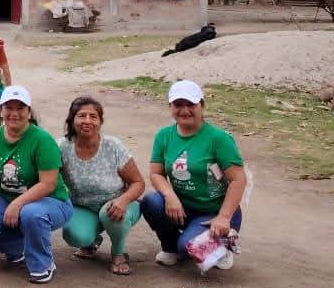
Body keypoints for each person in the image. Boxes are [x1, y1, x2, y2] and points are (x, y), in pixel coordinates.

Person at [140, 80, 246, 269]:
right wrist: (170, 196)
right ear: (170, 107)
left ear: (202, 106)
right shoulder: (164, 136)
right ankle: (171, 248)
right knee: (151, 202)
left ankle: (223, 244)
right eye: (178, 105)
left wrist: (223, 217)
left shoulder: (218, 138)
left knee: (187, 247)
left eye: (191, 104)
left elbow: (238, 179)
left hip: (214, 211)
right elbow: (156, 174)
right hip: (183, 207)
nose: (184, 110)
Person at [0, 86, 73, 283]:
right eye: (9, 108)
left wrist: (17, 204)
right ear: (1, 111)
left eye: (20, 108)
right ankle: (18, 250)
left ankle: (43, 264)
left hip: (52, 200)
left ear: (29, 112)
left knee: (31, 214)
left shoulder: (42, 140)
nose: (14, 113)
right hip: (7, 196)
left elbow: (48, 184)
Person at [58, 96, 145, 275]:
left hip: (120, 204)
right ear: (72, 120)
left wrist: (123, 201)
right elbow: (49, 177)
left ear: (100, 121)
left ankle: (118, 254)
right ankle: (91, 240)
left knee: (110, 213)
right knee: (74, 235)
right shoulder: (62, 146)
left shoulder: (113, 146)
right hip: (83, 206)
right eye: (81, 116)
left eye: (93, 116)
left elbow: (138, 183)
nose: (87, 121)